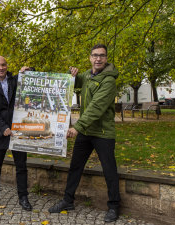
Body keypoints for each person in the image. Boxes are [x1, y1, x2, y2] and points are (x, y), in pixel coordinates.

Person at [48, 44, 121, 223]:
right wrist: (71, 73)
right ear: (90, 58)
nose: (98, 59)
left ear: (106, 58)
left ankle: (114, 206)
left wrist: (77, 127)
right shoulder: (88, 75)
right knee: (75, 166)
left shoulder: (109, 80)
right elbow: (74, 82)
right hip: (86, 131)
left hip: (102, 132)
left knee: (109, 170)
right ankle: (68, 200)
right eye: (95, 55)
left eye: (102, 56)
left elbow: (96, 107)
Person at [0, 56, 32, 211]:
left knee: (21, 166)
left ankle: (23, 197)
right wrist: (3, 128)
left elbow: (34, 78)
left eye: (3, 65)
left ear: (7, 65)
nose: (1, 68)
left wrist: (28, 70)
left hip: (18, 130)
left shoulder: (16, 80)